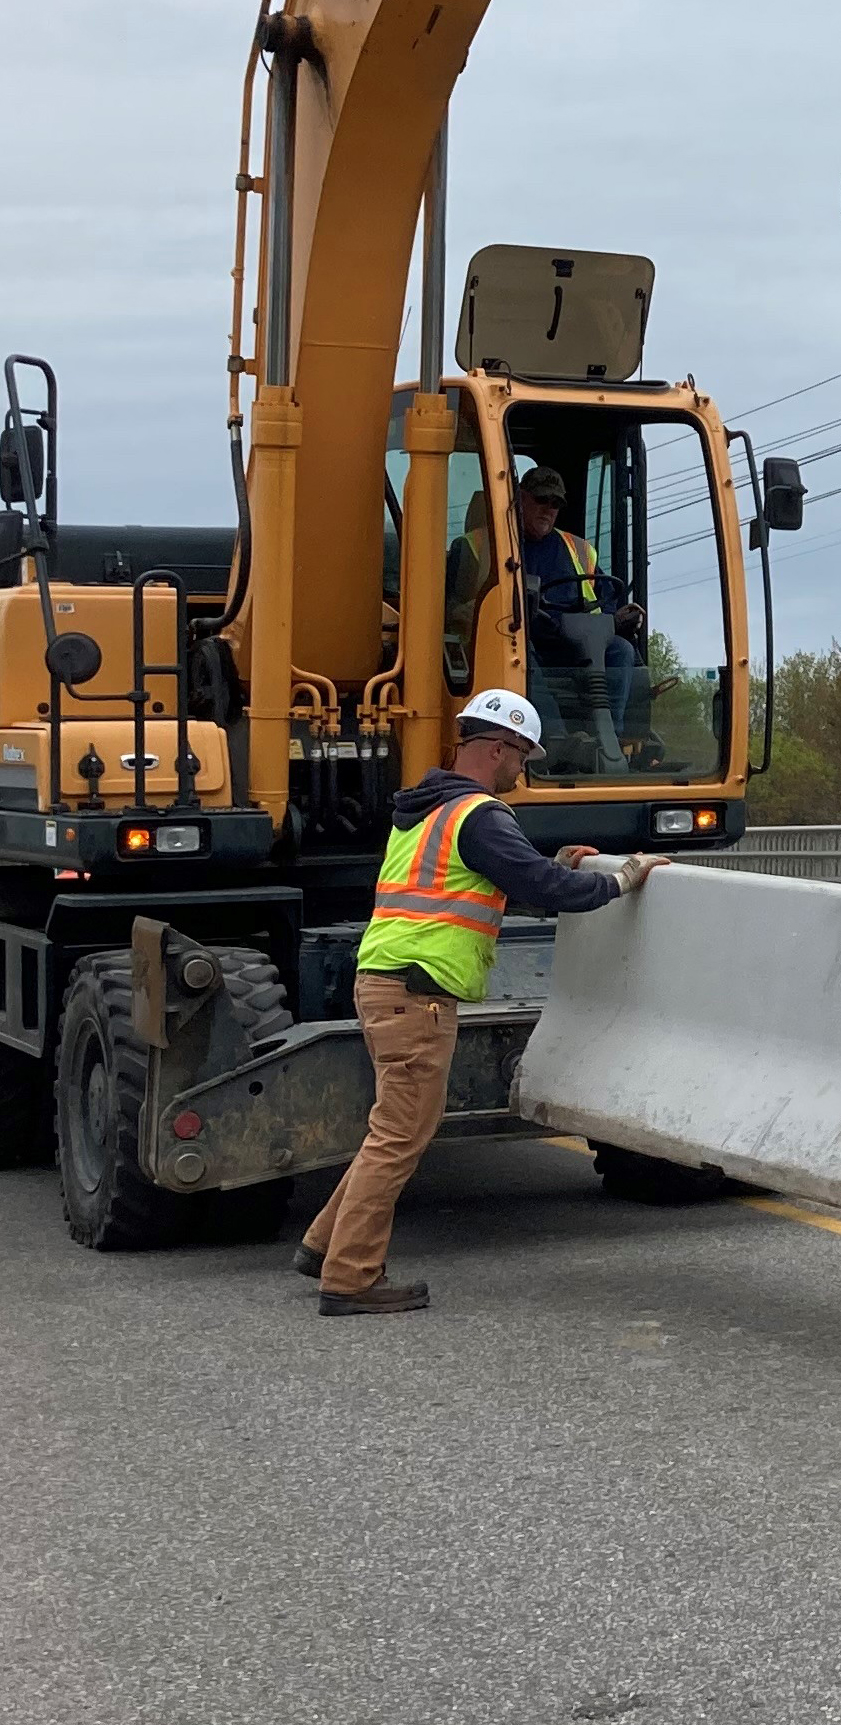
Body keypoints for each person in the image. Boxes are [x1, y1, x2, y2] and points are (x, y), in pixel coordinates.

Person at [297, 689, 669, 1316]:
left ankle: (323, 1246)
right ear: (497, 749)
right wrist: (619, 879)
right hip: (419, 995)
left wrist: (551, 865)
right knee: (399, 1136)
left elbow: (492, 879)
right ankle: (350, 1278)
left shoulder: (422, 811)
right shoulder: (480, 815)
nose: (520, 771)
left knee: (391, 1130)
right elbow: (541, 887)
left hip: (387, 983)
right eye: (521, 757)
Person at [516, 465, 645, 739]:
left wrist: (618, 618)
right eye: (541, 500)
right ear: (521, 498)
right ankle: (555, 738)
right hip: (527, 642)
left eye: (555, 503)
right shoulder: (502, 544)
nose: (548, 509)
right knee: (520, 654)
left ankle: (611, 739)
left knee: (621, 650)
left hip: (575, 645)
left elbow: (604, 600)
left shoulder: (579, 549)